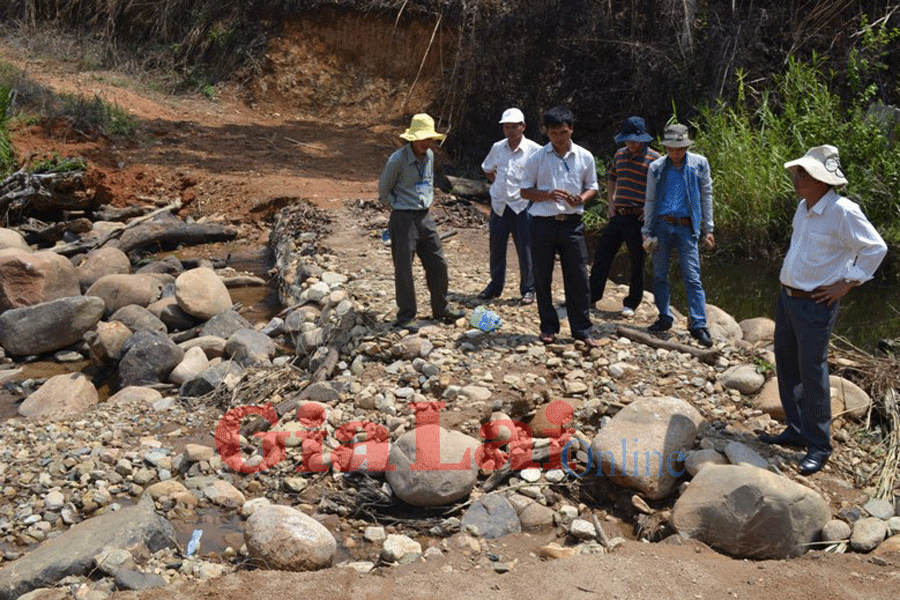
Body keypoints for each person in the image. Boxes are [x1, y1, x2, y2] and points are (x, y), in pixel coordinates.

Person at [759, 145, 886, 475]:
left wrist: (847, 283)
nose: (795, 178)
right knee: (786, 363)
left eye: (801, 173)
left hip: (815, 303)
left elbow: (875, 248)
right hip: (788, 298)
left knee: (812, 371)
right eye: (798, 172)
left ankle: (819, 445)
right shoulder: (803, 207)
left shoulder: (843, 211)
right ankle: (797, 430)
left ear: (819, 179)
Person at [520, 106, 599, 347]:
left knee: (578, 277)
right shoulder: (536, 158)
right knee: (543, 278)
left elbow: (593, 186)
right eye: (554, 133)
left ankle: (582, 329)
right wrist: (546, 195)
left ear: (571, 129)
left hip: (572, 223)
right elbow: (524, 191)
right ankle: (548, 327)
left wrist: (581, 199)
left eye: (563, 132)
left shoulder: (585, 156)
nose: (559, 138)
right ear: (545, 132)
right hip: (542, 222)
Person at [378, 113, 464, 330]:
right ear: (412, 138)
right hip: (403, 218)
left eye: (430, 139)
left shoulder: (430, 157)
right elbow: (383, 190)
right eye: (423, 138)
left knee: (438, 263)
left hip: (425, 216)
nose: (426, 143)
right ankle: (406, 315)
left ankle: (441, 307)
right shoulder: (397, 160)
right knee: (404, 268)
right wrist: (398, 206)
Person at [641, 123, 715, 348]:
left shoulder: (699, 164)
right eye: (671, 149)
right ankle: (664, 317)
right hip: (662, 225)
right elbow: (650, 200)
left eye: (680, 149)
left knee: (692, 276)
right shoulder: (656, 167)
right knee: (660, 274)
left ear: (686, 146)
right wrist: (646, 231)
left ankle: (698, 324)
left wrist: (708, 229)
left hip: (686, 226)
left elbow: (706, 196)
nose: (675, 153)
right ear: (665, 148)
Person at [589, 116, 660, 318]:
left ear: (643, 138)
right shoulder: (620, 154)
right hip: (618, 214)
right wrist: (611, 202)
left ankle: (631, 303)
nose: (631, 143)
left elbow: (660, 189)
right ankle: (591, 297)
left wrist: (649, 211)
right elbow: (612, 178)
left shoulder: (655, 159)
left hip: (638, 217)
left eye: (634, 140)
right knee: (602, 255)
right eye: (627, 139)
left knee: (637, 262)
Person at [478, 108, 541, 304]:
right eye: (507, 127)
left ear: (523, 127)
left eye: (515, 126)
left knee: (526, 248)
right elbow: (488, 169)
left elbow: (542, 178)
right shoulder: (497, 147)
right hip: (499, 204)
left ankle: (528, 289)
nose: (511, 130)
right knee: (496, 247)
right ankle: (495, 286)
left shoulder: (535, 150)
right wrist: (499, 186)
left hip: (522, 205)